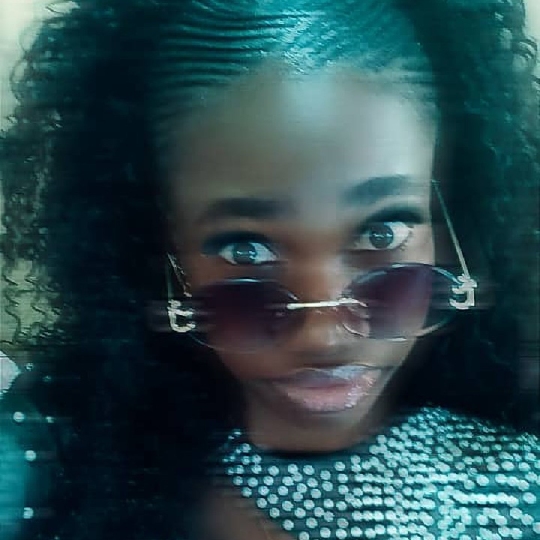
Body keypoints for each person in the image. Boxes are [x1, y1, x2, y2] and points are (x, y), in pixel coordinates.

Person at [0, 0, 539, 539]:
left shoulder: (517, 476)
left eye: (382, 233)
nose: (325, 336)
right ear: (159, 252)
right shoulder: (52, 463)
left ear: (450, 231)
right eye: (246, 250)